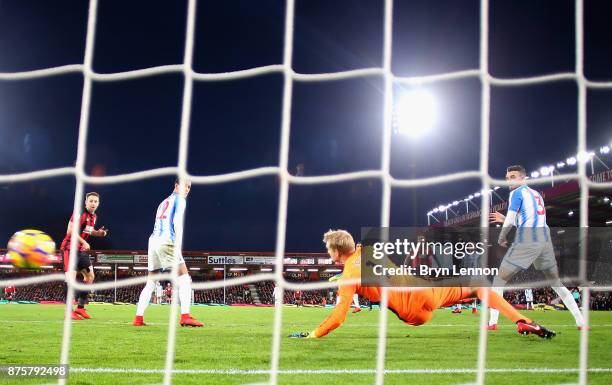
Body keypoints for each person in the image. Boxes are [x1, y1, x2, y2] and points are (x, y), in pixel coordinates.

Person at [289, 229, 555, 339]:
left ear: (336, 252)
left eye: (328, 250)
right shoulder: (370, 251)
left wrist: (313, 334)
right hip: (427, 291)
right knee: (478, 284)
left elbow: (337, 318)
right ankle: (520, 319)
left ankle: (513, 317)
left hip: (413, 313)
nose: (327, 254)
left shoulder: (348, 277)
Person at [489, 165, 586, 330]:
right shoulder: (536, 195)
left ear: (522, 178)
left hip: (528, 239)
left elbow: (512, 220)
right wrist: (504, 217)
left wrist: (501, 235)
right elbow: (528, 218)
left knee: (499, 280)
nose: (509, 180)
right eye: (507, 177)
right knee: (556, 283)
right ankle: (581, 322)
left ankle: (492, 323)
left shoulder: (516, 193)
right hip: (545, 241)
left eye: (513, 176)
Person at [133, 179, 203, 327]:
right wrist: (178, 244)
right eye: (185, 185)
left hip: (153, 241)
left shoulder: (163, 202)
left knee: (151, 282)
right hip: (167, 241)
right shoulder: (180, 200)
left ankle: (138, 318)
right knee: (184, 277)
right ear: (176, 185)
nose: (187, 189)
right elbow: (177, 222)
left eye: (189, 187)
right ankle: (185, 316)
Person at [60, 192, 108, 320]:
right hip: (69, 248)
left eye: (95, 201)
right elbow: (70, 231)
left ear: (98, 203)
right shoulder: (79, 213)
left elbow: (89, 230)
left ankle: (80, 308)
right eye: (91, 201)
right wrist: (84, 242)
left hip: (80, 251)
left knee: (90, 276)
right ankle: (68, 311)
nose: (93, 203)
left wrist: (98, 233)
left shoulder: (94, 217)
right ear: (85, 202)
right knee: (71, 277)